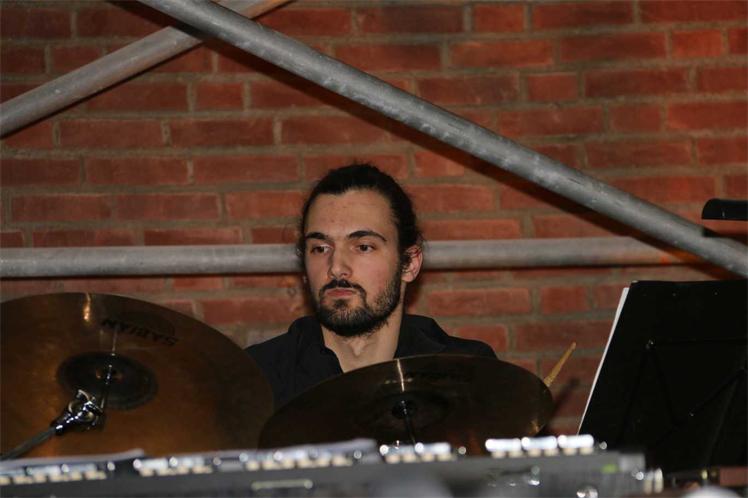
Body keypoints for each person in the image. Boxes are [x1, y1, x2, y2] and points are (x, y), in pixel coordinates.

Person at [246, 163, 495, 408]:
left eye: (363, 247)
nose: (336, 267)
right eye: (320, 248)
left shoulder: (468, 373)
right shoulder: (258, 378)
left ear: (409, 263)